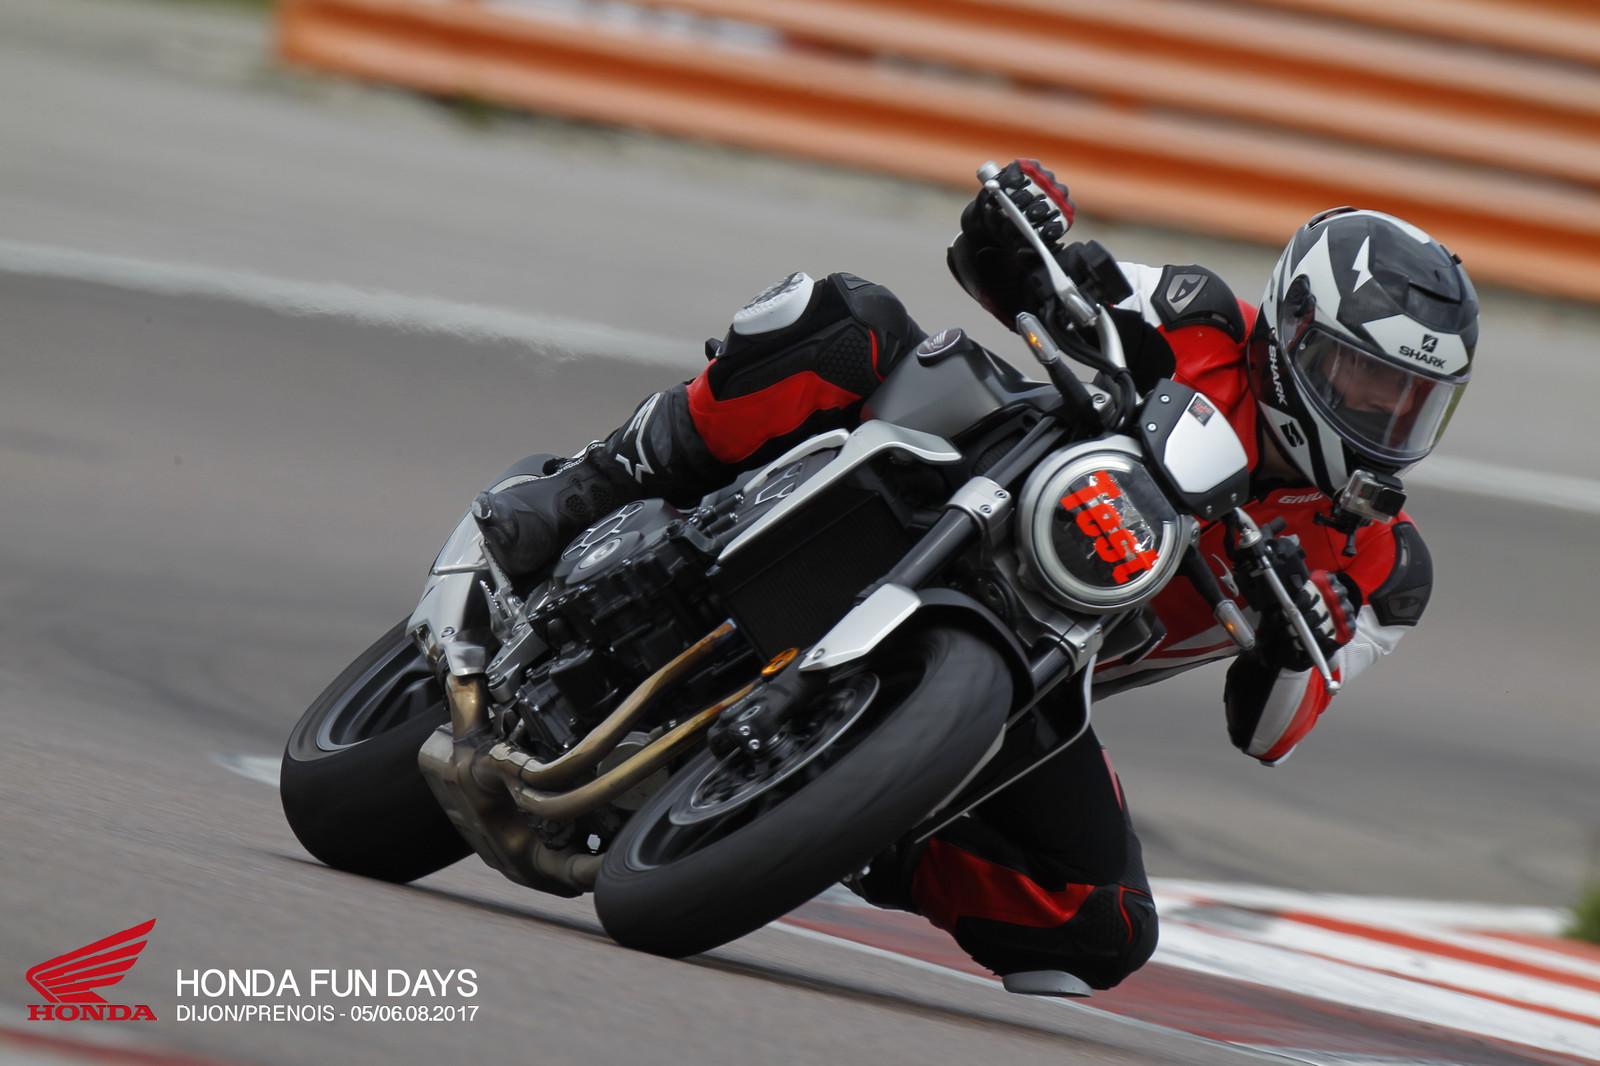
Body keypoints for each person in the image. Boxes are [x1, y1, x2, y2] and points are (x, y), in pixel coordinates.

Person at [470, 160, 1478, 996]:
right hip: (972, 485)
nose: (1379, 414)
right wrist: (1020, 225)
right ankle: (596, 482)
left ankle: (866, 827)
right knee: (844, 320)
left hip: (1038, 677)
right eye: (1364, 378)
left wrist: (1297, 631)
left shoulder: (1384, 565)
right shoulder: (1200, 317)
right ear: (1293, 331)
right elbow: (1033, 276)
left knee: (1104, 923)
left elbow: (1269, 731)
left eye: (1409, 400)